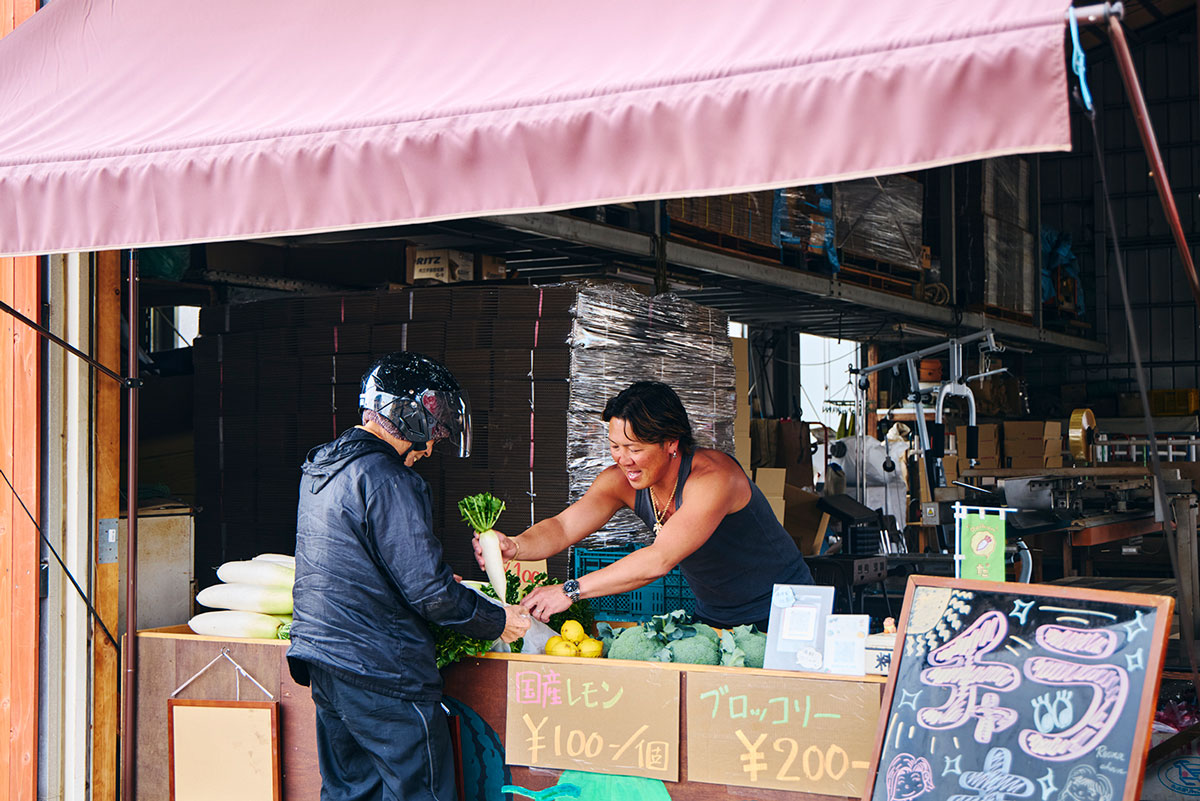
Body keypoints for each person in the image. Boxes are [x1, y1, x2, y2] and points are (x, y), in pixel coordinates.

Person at [287, 351, 529, 801]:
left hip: (325, 664)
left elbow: (358, 565)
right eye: (433, 426)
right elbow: (431, 595)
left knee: (350, 793)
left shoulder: (323, 469)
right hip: (381, 672)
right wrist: (499, 620)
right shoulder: (388, 477)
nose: (433, 443)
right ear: (406, 413)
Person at [475, 380, 813, 631]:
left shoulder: (714, 479)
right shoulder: (619, 479)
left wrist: (570, 590)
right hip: (717, 615)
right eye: (615, 446)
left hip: (786, 611)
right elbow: (563, 527)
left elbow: (658, 559)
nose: (624, 460)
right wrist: (514, 546)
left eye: (634, 448)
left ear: (670, 442)